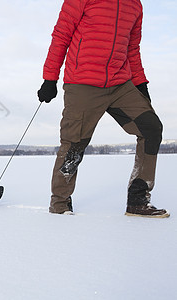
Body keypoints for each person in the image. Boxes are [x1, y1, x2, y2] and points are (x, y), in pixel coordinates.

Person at [37, 0, 169, 217]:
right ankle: (60, 204)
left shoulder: (135, 5)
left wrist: (141, 84)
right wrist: (49, 78)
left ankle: (137, 200)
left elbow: (132, 49)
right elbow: (61, 36)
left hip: (120, 84)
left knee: (151, 128)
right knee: (74, 144)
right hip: (83, 82)